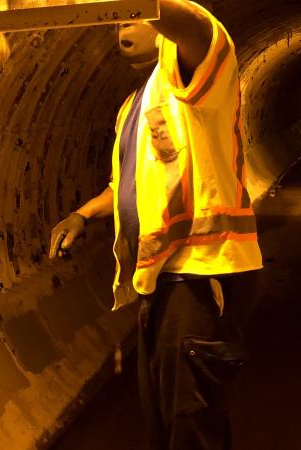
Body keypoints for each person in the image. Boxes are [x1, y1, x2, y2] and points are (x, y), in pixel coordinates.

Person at [48, 1, 263, 449]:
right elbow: (129, 183)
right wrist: (84, 214)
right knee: (168, 422)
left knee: (191, 423)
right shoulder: (134, 106)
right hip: (163, 281)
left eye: (136, 11)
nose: (124, 19)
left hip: (204, 275)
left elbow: (193, 24)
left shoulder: (201, 73)